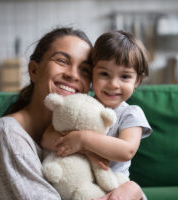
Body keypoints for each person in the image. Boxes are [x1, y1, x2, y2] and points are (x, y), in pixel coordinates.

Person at [0, 27, 143, 200]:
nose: (73, 75)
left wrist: (133, 190)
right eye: (62, 61)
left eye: (84, 70)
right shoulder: (6, 134)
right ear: (34, 70)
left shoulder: (75, 128)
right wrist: (133, 191)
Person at [45, 30, 152, 200]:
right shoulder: (80, 105)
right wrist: (83, 150)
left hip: (118, 189)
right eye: (104, 74)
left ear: (137, 80)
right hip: (83, 188)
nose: (113, 84)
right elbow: (47, 138)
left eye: (125, 76)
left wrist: (83, 140)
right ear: (92, 73)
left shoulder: (130, 113)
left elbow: (127, 150)